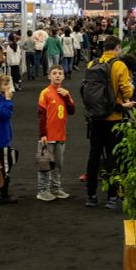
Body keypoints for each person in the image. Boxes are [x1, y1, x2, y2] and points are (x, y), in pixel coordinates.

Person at [84, 36, 134, 209]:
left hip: (96, 117)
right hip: (114, 117)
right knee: (113, 157)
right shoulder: (119, 65)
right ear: (117, 48)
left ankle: (91, 195)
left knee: (94, 156)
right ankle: (112, 197)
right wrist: (131, 88)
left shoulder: (91, 64)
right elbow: (127, 92)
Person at [36, 65, 75, 201]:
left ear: (63, 76)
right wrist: (42, 134)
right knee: (44, 164)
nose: (57, 75)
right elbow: (41, 115)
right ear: (49, 76)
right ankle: (43, 190)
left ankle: (55, 188)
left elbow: (72, 111)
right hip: (48, 136)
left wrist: (66, 97)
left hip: (60, 135)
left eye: (60, 73)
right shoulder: (45, 93)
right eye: (54, 73)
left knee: (58, 164)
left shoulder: (65, 93)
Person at [0, 72, 18, 204]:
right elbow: (6, 114)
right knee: (4, 167)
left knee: (0, 164)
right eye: (5, 84)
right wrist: (7, 99)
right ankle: (3, 194)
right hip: (1, 138)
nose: (8, 87)